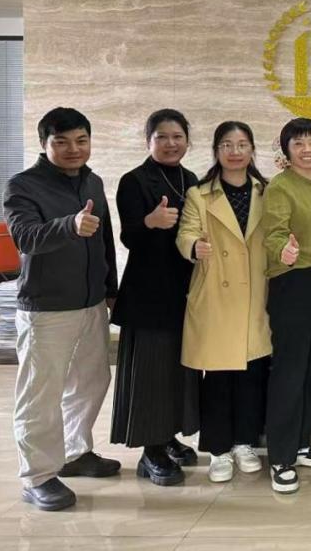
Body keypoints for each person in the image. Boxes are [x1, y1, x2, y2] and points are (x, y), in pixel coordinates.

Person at [4, 107, 120, 511]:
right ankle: (37, 476)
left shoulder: (93, 181)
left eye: (81, 140)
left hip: (90, 303)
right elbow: (25, 238)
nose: (74, 149)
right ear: (44, 143)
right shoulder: (23, 186)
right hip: (46, 308)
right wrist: (69, 226)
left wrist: (110, 289)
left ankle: (75, 451)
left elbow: (104, 240)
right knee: (41, 393)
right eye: (62, 142)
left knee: (91, 381)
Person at [176, 121, 272, 483]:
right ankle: (218, 450)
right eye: (227, 145)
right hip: (217, 293)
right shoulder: (199, 195)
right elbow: (185, 232)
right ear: (216, 151)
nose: (235, 151)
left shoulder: (267, 192)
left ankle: (245, 443)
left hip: (255, 294)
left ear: (252, 150)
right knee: (217, 378)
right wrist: (193, 247)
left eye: (242, 144)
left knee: (251, 375)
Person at [110, 109, 200, 486]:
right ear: (148, 141)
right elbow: (128, 236)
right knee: (151, 372)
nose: (170, 143)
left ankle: (168, 435)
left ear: (187, 141)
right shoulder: (134, 181)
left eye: (177, 136)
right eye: (161, 137)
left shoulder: (190, 179)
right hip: (148, 294)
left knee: (178, 369)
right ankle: (151, 451)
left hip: (184, 291)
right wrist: (150, 222)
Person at [262, 117, 311, 493]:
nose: (307, 150)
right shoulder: (279, 187)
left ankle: (301, 442)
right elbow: (274, 233)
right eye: (298, 144)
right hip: (293, 281)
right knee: (290, 370)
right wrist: (285, 250)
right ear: (287, 150)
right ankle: (280, 456)